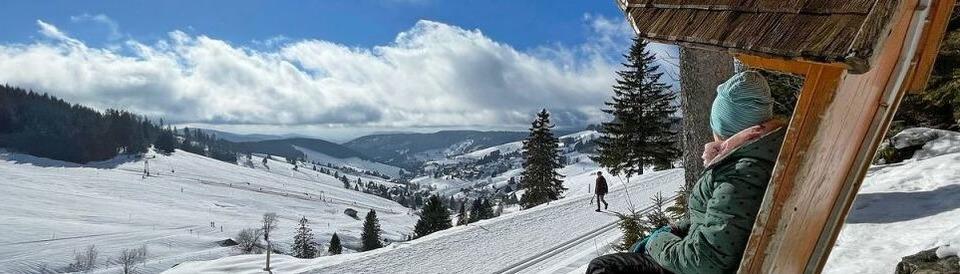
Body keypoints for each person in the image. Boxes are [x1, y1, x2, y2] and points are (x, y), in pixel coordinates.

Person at [587, 71, 786, 274]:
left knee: (604, 269)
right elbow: (723, 222)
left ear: (723, 126)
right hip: (703, 258)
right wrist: (676, 229)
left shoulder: (741, 173)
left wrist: (657, 241)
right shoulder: (759, 157)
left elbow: (706, 259)